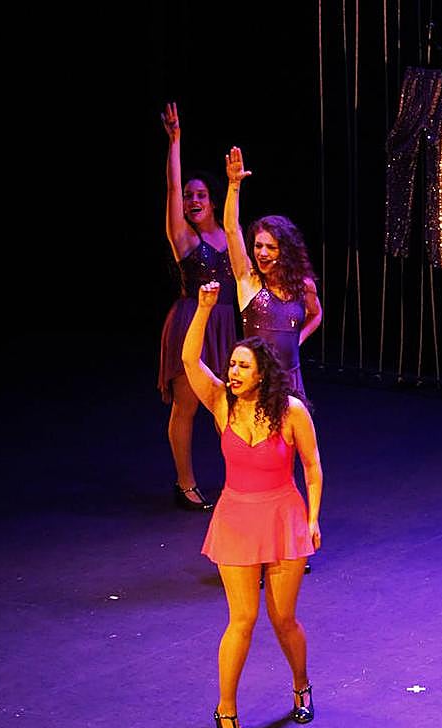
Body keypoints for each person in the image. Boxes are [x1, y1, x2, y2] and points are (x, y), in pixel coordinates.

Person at [181, 281, 323, 728]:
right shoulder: (222, 403)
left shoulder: (292, 411)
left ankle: (301, 685)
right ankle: (225, 709)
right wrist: (204, 309)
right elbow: (189, 361)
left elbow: (312, 467)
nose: (233, 372)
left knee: (284, 619)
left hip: (283, 518)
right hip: (237, 520)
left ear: (263, 373)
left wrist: (313, 519)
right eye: (232, 365)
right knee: (241, 619)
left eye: (243, 365)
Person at [158, 102, 239, 511]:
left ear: (212, 199)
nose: (192, 200)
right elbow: (173, 190)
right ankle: (185, 484)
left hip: (225, 325)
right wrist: (175, 142)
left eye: (200, 195)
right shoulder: (185, 239)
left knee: (228, 406)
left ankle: (241, 481)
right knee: (187, 405)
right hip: (192, 322)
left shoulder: (230, 233)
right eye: (189, 195)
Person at [223, 145, 322, 399]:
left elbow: (316, 314)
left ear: (285, 251)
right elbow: (231, 230)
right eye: (258, 246)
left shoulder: (304, 285)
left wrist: (297, 339)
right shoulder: (249, 281)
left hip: (291, 380)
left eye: (271, 247)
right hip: (256, 383)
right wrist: (234, 186)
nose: (262, 253)